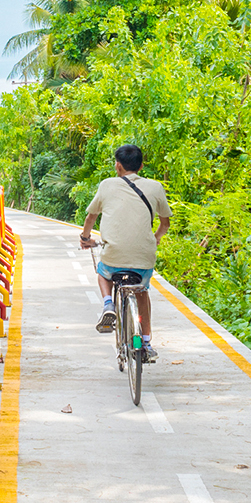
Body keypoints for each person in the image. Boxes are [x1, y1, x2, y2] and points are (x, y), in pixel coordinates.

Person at [78, 144, 171, 359]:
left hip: (114, 255)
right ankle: (146, 345)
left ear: (118, 166)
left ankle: (108, 303)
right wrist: (154, 240)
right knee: (142, 293)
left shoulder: (107, 185)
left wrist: (85, 238)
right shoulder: (156, 186)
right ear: (141, 165)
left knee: (103, 272)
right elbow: (165, 224)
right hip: (143, 259)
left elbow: (90, 217)